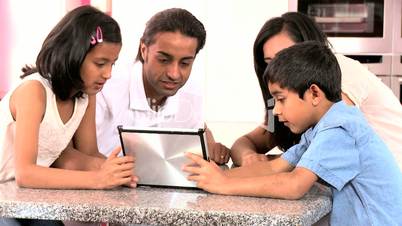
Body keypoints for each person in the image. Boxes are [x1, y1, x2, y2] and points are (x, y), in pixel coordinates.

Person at [183, 42, 402, 226]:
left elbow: (294, 185)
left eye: (281, 99)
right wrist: (215, 176)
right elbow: (273, 167)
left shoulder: (340, 129)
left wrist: (224, 185)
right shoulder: (320, 128)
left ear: (314, 93)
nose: (276, 111)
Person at [230, 12, 402, 167]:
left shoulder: (338, 72)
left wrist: (272, 163)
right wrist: (248, 156)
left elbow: (330, 152)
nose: (277, 68)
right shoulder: (288, 100)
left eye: (286, 56)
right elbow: (249, 141)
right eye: (269, 62)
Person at [0, 5, 137, 189]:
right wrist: (98, 179)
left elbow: (80, 155)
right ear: (73, 56)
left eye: (112, 64)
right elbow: (25, 174)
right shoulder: (34, 92)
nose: (108, 74)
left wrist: (117, 172)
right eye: (100, 63)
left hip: (19, 195)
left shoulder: (85, 95)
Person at [96, 8, 230, 164]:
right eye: (164, 60)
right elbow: (80, 155)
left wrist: (212, 147)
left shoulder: (191, 92)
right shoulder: (105, 87)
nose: (174, 74)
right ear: (144, 50)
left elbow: (199, 133)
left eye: (185, 63)